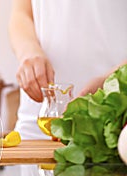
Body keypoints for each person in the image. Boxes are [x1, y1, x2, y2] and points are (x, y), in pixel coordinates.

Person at [9, 0, 127, 140]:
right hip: (37, 125)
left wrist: (111, 80)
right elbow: (22, 13)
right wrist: (28, 52)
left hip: (114, 128)